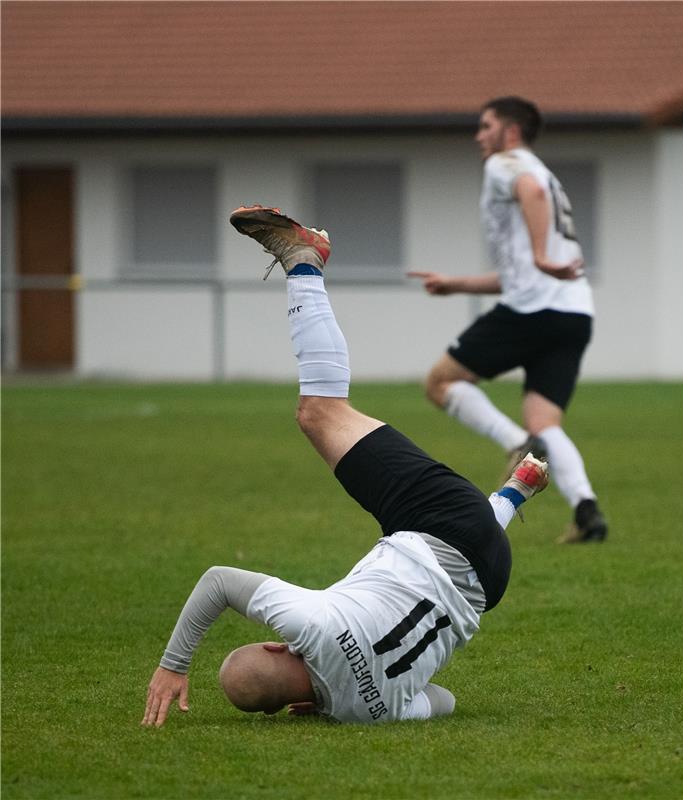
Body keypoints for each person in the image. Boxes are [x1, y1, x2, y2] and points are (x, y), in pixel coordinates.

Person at [142, 206, 549, 728]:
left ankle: (517, 491)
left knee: (448, 568)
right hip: (442, 526)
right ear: (273, 647)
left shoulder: (366, 713)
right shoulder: (307, 626)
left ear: (293, 707)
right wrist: (173, 665)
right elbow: (218, 582)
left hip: (489, 582)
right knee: (319, 413)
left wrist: (336, 693)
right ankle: (305, 261)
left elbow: (442, 701)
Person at [408, 96, 607, 543]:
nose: (479, 135)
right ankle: (587, 512)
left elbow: (529, 203)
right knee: (546, 421)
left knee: (440, 382)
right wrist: (456, 284)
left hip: (532, 311)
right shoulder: (546, 174)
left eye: (485, 126)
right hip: (574, 313)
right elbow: (521, 273)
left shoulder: (506, 164)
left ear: (510, 132)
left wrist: (538, 257)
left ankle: (519, 443)